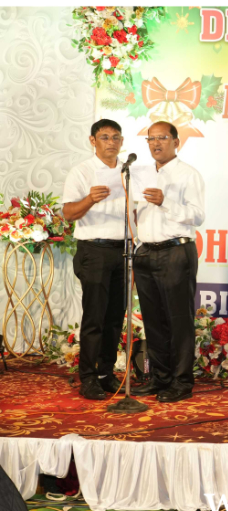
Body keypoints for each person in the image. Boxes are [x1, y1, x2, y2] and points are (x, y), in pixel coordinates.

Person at [129, 121, 205, 403]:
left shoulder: (188, 174)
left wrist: (165, 202)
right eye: (151, 138)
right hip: (146, 252)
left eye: (162, 137)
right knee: (153, 320)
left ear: (176, 142)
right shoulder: (141, 174)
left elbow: (198, 215)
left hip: (176, 251)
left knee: (178, 320)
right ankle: (159, 378)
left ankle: (182, 382)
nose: (156, 143)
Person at [62, 119, 128, 400]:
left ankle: (106, 373)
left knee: (114, 319)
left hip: (123, 250)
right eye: (104, 137)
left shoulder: (129, 171)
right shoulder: (82, 171)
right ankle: (88, 377)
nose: (111, 142)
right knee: (94, 318)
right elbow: (68, 213)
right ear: (92, 141)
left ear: (121, 141)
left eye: (115, 137)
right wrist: (90, 199)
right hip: (94, 250)